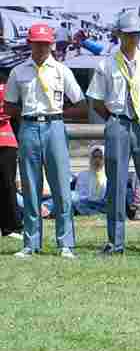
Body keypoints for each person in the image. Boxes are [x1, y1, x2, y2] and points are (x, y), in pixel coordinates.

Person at [86, 10, 140, 255]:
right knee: (116, 182)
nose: (132, 39)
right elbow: (96, 99)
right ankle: (115, 242)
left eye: (136, 35)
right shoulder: (106, 64)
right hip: (118, 122)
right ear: (118, 34)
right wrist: (113, 119)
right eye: (128, 35)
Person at [7, 23, 81, 258]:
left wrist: (57, 115)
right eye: (37, 44)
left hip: (55, 127)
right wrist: (29, 116)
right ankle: (31, 243)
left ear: (51, 45)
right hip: (29, 127)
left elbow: (80, 104)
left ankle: (66, 243)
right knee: (30, 185)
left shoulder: (62, 70)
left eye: (45, 44)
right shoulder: (18, 72)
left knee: (61, 185)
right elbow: (9, 105)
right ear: (30, 44)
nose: (41, 48)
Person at [0, 86, 18, 240]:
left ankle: (11, 227)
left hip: (5, 141)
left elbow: (10, 111)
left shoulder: (6, 87)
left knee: (7, 184)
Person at [73, 145, 109, 215]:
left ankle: (92, 212)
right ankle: (95, 213)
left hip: (103, 203)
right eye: (95, 157)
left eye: (100, 157)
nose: (97, 160)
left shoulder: (109, 175)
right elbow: (79, 194)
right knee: (74, 199)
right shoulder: (83, 175)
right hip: (87, 202)